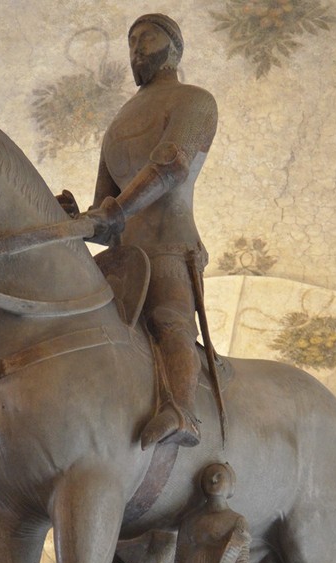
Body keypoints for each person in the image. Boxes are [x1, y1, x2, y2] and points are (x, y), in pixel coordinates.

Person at [60, 13, 218, 449]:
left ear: (175, 47)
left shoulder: (195, 101)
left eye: (147, 37)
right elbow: (106, 222)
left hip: (170, 244)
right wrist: (76, 219)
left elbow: (171, 165)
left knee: (169, 320)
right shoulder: (115, 127)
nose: (136, 47)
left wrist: (115, 211)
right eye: (131, 40)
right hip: (123, 258)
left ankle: (182, 411)